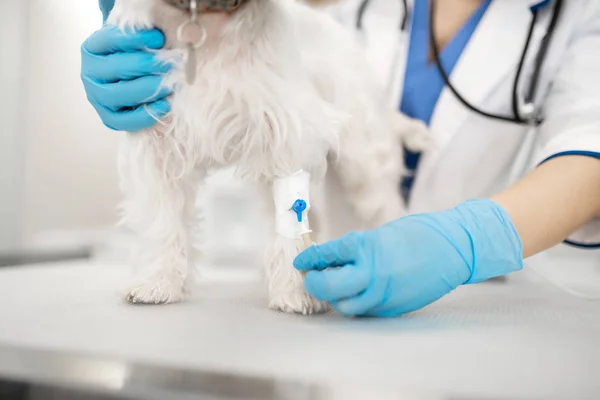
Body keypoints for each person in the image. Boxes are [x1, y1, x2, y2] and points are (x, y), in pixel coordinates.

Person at [82, 0, 600, 317]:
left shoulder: (581, 14)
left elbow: (590, 143)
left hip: (492, 298)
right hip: (270, 300)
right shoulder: (326, 13)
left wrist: (469, 241)